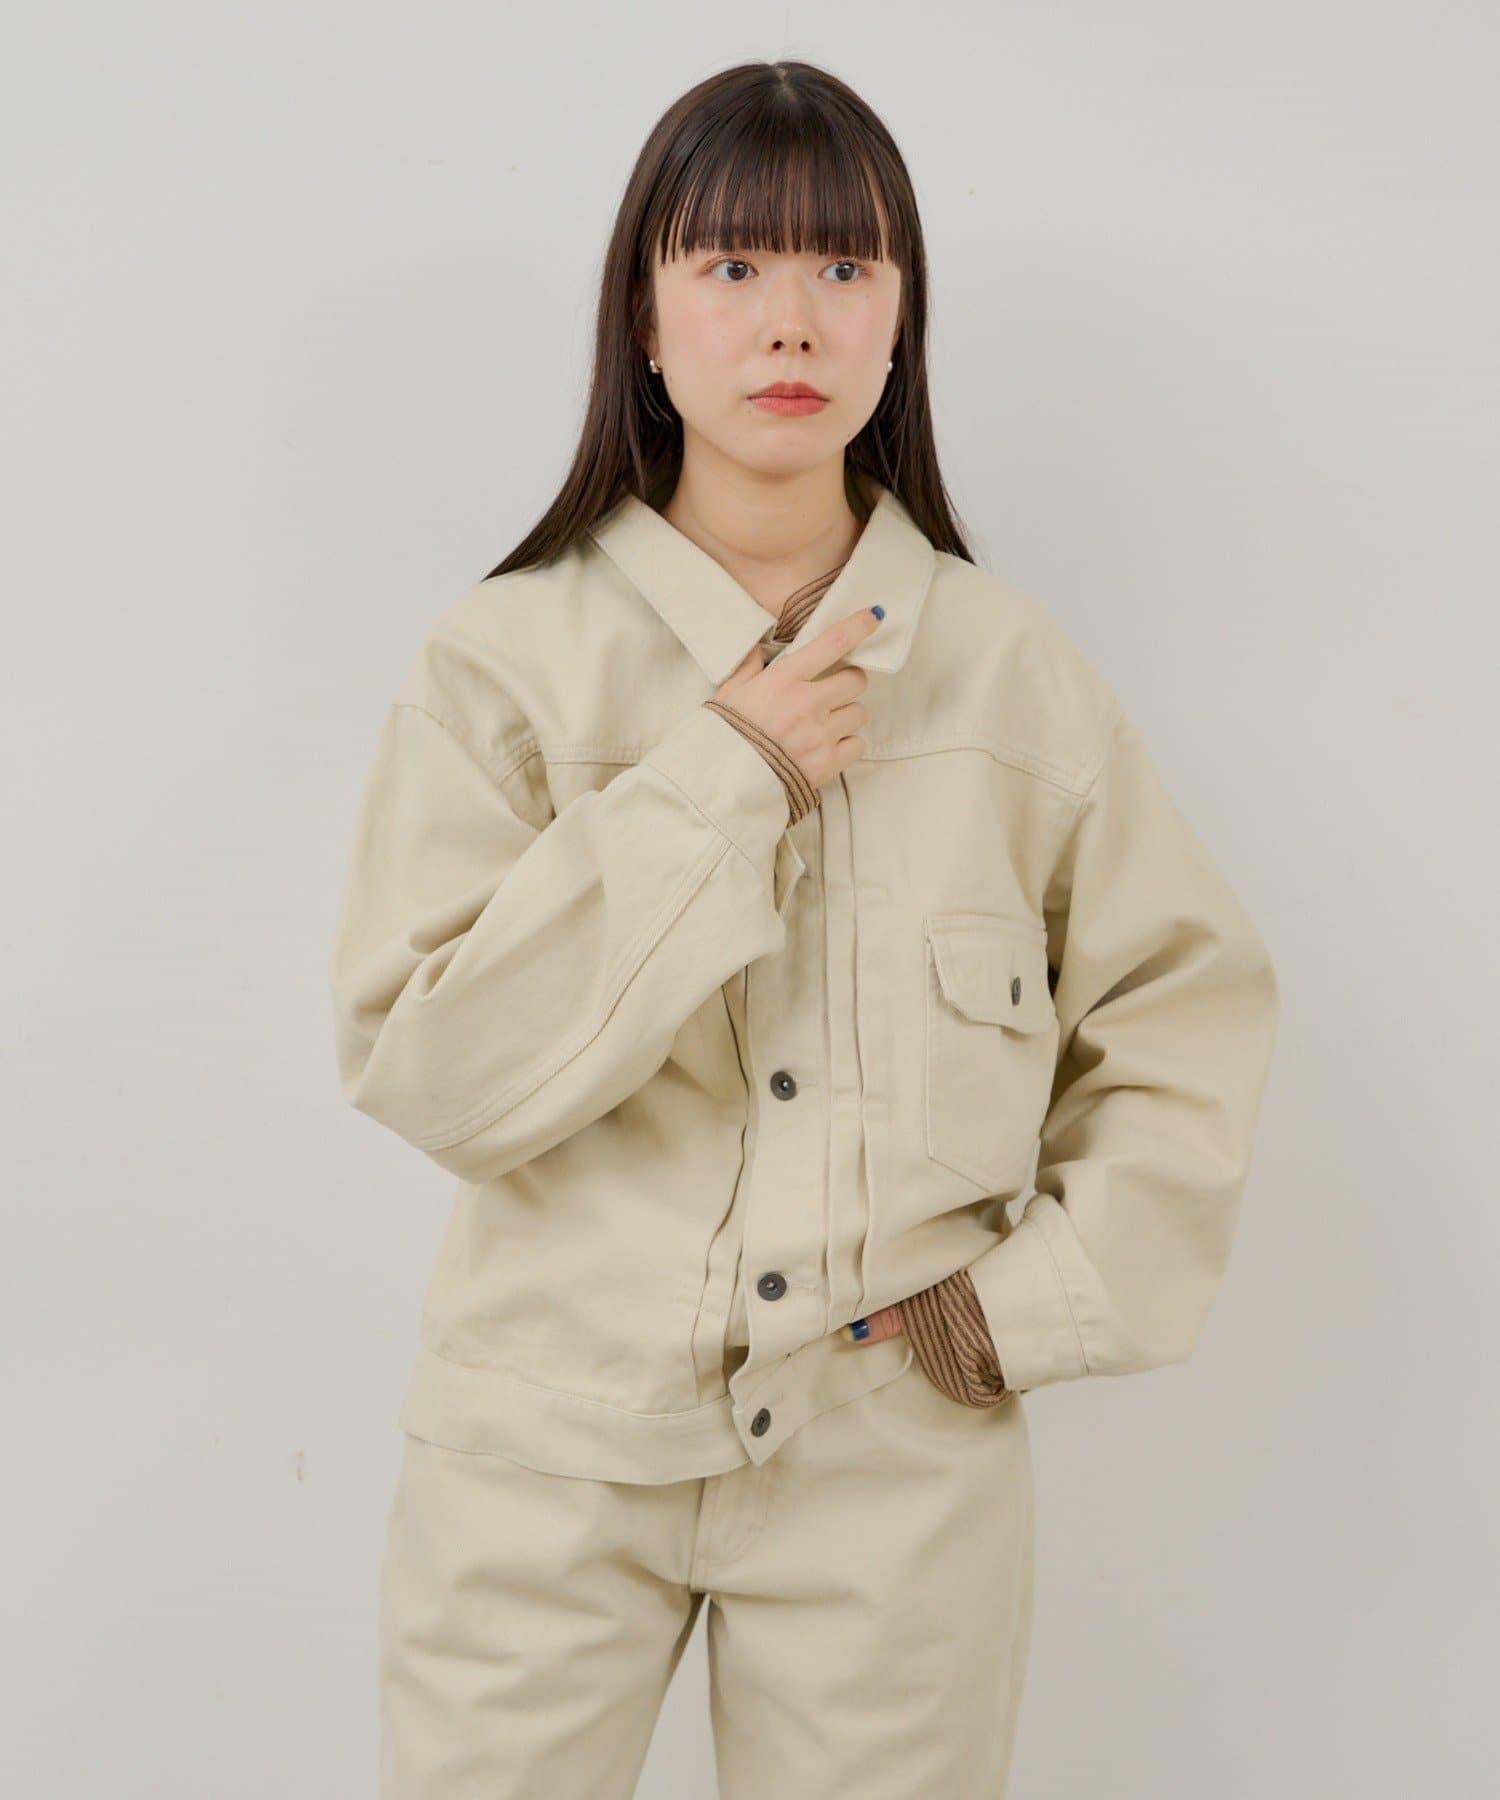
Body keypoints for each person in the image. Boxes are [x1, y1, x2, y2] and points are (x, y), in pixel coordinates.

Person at [327, 57, 1280, 1800]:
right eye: (734, 264)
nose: (793, 320)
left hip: (894, 1475)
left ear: (902, 320)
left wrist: (1025, 1310)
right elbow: (430, 1068)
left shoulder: (1009, 674)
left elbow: (1186, 1014)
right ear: (645, 317)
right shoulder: (505, 664)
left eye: (846, 266)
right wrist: (726, 781)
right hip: (542, 1450)